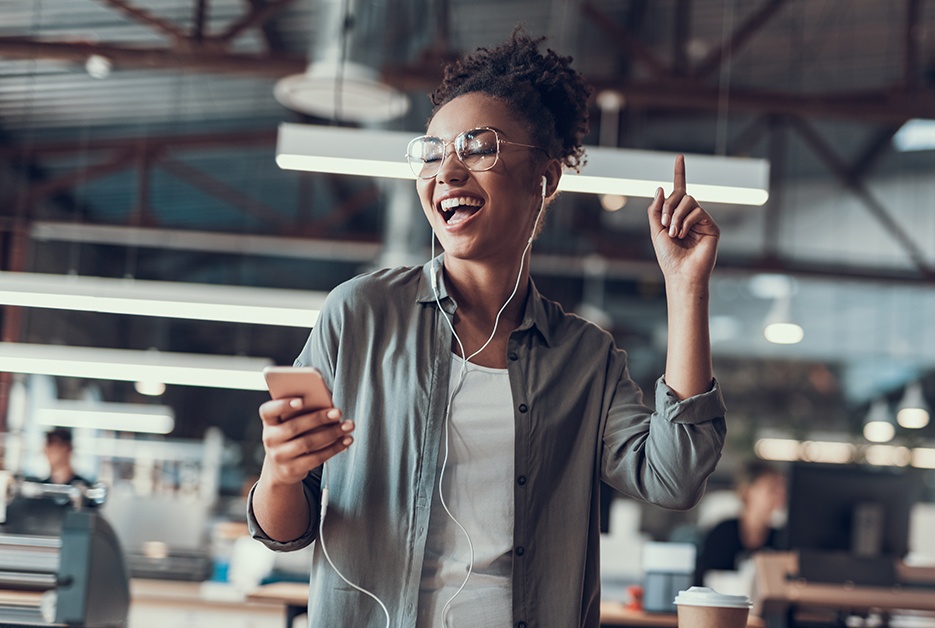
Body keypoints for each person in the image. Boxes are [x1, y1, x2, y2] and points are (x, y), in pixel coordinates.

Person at [248, 31, 727, 628]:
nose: (447, 171)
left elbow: (674, 477)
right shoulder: (361, 314)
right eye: (432, 151)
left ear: (545, 181)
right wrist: (281, 473)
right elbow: (281, 533)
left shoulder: (585, 358)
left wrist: (686, 289)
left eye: (477, 148)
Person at [693, 461, 786, 587]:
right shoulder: (722, 533)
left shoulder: (781, 538)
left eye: (781, 488)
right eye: (772, 488)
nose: (780, 493)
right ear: (748, 491)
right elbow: (705, 579)